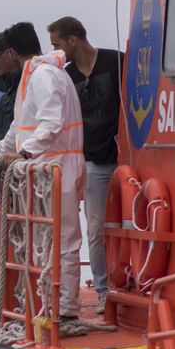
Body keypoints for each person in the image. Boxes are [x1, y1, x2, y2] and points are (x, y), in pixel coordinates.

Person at [0, 21, 86, 322]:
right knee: (44, 239)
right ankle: (48, 300)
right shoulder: (34, 76)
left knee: (62, 240)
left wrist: (23, 154)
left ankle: (65, 308)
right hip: (44, 169)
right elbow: (21, 124)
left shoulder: (44, 76)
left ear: (12, 51)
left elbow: (51, 123)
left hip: (57, 167)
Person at [50, 16, 122, 298]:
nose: (55, 51)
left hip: (124, 158)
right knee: (95, 229)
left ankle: (128, 282)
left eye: (57, 44)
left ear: (72, 40)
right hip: (92, 160)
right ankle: (103, 289)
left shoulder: (116, 62)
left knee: (128, 225)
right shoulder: (66, 76)